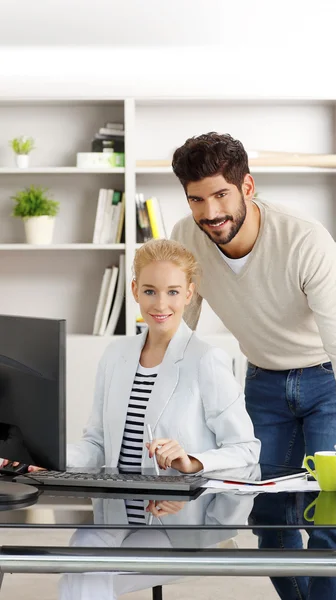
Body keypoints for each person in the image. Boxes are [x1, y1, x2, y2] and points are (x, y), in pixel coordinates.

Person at [170, 132, 336, 600]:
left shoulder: (304, 239)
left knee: (328, 518)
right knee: (269, 521)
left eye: (221, 194)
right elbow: (181, 331)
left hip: (328, 378)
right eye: (196, 199)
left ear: (247, 187)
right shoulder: (186, 237)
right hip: (263, 379)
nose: (210, 212)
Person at [58, 238, 260, 600]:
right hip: (117, 515)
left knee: (84, 579)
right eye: (150, 291)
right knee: (80, 558)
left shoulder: (206, 360)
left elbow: (246, 451)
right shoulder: (115, 356)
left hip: (178, 523)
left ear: (189, 294)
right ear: (135, 290)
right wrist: (47, 457)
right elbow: (97, 444)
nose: (160, 304)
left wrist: (191, 462)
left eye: (172, 291)